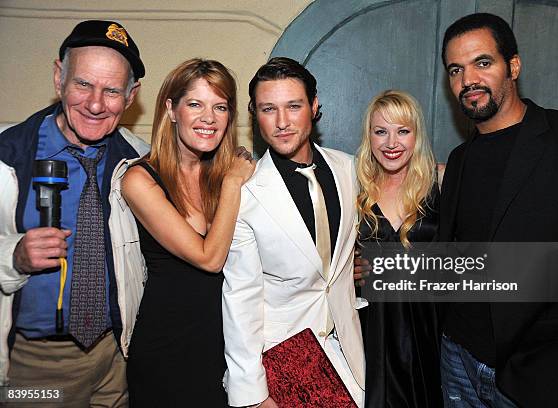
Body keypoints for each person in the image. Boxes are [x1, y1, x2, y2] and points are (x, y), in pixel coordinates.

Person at [438, 13, 558, 408]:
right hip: (457, 361)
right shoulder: (460, 159)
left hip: (540, 377)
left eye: (483, 63)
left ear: (513, 66)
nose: (468, 81)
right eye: (455, 70)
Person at [0, 20, 148, 406]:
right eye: (83, 84)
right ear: (58, 78)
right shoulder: (6, 158)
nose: (96, 104)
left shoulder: (140, 163)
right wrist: (13, 256)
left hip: (117, 357)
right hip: (33, 365)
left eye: (112, 90)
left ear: (131, 96)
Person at [222, 57, 365, 407]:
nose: (282, 122)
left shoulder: (347, 168)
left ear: (314, 108)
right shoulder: (245, 191)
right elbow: (240, 298)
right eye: (269, 109)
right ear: (255, 115)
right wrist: (254, 395)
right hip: (283, 361)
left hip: (350, 353)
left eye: (294, 106)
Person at [118, 58, 254, 407]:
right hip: (168, 350)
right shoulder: (140, 179)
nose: (208, 118)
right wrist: (234, 183)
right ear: (171, 109)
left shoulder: (221, 173)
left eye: (220, 107)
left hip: (226, 347)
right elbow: (209, 258)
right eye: (195, 104)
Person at [356, 90, 442, 407]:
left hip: (427, 330)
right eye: (381, 131)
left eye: (402, 131)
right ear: (369, 136)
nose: (391, 143)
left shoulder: (442, 182)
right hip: (370, 329)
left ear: (416, 135)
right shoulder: (355, 188)